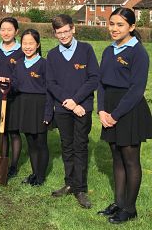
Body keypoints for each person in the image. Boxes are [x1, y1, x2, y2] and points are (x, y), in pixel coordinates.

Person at [97, 7, 152, 224]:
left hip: (129, 110)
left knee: (130, 161)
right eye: (112, 24)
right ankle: (119, 203)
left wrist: (115, 115)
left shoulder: (138, 52)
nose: (114, 29)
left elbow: (137, 90)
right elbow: (101, 83)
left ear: (132, 26)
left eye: (120, 25)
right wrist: (102, 110)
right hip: (109, 108)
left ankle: (130, 209)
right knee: (116, 158)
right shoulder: (108, 51)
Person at [46, 14, 99, 209]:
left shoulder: (86, 50)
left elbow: (94, 78)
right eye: (59, 33)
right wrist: (68, 103)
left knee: (80, 146)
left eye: (66, 31)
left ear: (73, 29)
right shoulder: (52, 55)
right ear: (55, 33)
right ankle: (69, 183)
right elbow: (50, 83)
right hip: (63, 109)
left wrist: (76, 101)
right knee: (66, 146)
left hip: (82, 108)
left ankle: (80, 188)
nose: (63, 35)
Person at [11, 29, 52, 186]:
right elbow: (15, 84)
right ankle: (34, 173)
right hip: (24, 106)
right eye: (24, 43)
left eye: (31, 43)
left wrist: (48, 114)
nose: (27, 46)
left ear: (38, 44)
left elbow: (49, 89)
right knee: (30, 142)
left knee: (40, 142)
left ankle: (40, 177)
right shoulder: (19, 64)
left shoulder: (44, 64)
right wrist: (7, 86)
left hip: (40, 106)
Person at [0, 17, 24, 179]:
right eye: (3, 29)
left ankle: (14, 166)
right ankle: (3, 162)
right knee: (2, 132)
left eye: (9, 29)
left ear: (16, 31)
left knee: (13, 131)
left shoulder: (23, 50)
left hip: (15, 95)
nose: (6, 32)